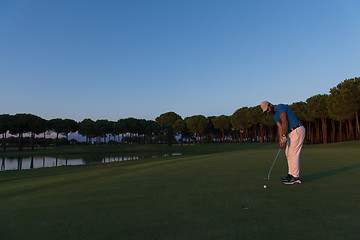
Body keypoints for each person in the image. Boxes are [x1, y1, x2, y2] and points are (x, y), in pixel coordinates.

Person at [261, 101, 306, 184]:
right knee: (288, 152)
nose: (268, 112)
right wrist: (280, 139)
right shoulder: (274, 116)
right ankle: (290, 174)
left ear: (270, 105)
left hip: (297, 130)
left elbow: (285, 121)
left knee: (293, 153)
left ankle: (296, 177)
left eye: (267, 109)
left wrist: (284, 138)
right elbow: (280, 127)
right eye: (266, 111)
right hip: (290, 133)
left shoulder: (280, 107)